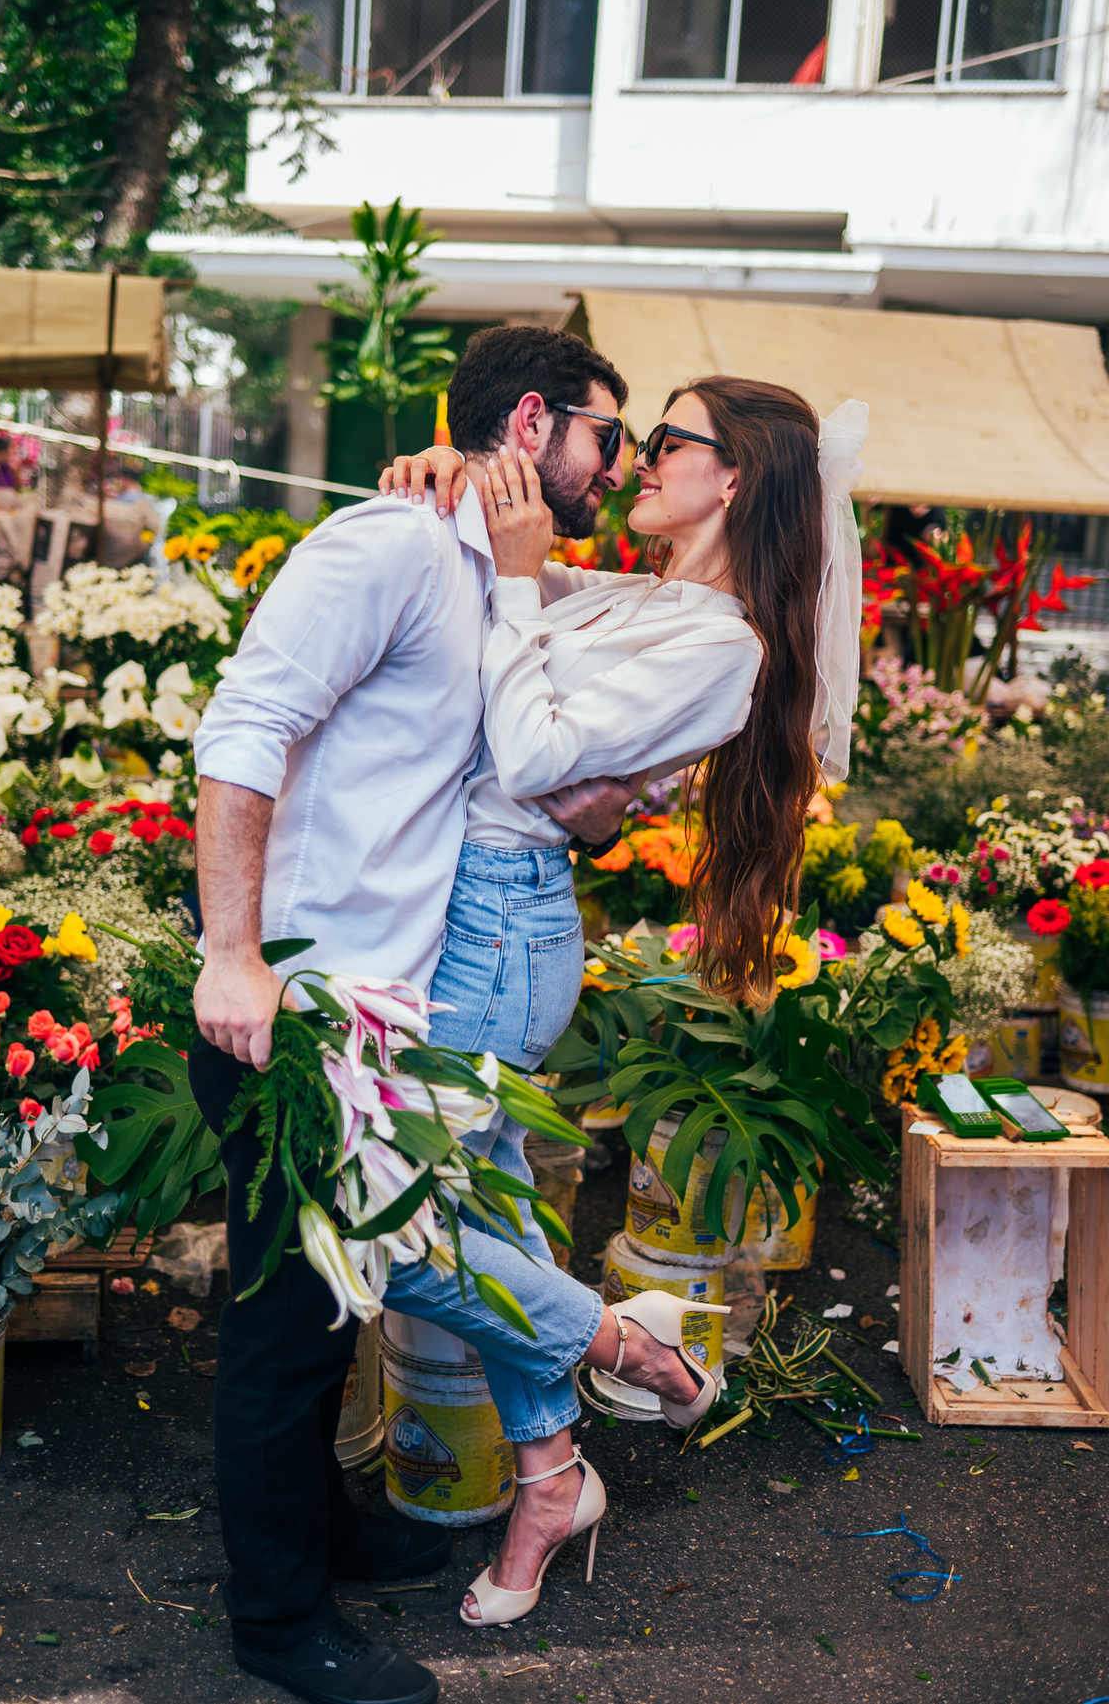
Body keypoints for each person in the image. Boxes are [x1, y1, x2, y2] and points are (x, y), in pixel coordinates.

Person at [189, 326, 643, 1704]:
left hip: (384, 1006)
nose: (616, 466)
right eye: (606, 435)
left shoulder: (496, 571)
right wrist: (232, 956)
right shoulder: (385, 547)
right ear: (532, 424)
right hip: (291, 1000)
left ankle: (321, 1533)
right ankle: (280, 1625)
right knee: (284, 1329)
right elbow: (243, 726)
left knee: (337, 1303)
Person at [378, 373, 865, 1628]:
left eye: (666, 440)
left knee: (385, 1228)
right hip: (469, 911)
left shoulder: (724, 647)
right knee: (486, 1210)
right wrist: (450, 475)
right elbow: (498, 570)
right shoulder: (650, 598)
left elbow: (535, 751)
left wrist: (520, 584)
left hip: (499, 931)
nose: (639, 458)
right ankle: (550, 1478)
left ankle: (627, 1344)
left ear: (734, 475)